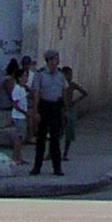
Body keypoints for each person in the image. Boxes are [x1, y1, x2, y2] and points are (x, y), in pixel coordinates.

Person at [32, 47, 68, 176]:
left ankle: (57, 168)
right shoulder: (40, 74)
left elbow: (64, 92)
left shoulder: (60, 75)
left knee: (55, 139)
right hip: (44, 106)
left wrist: (65, 109)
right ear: (49, 60)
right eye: (55, 59)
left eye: (57, 59)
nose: (57, 61)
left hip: (56, 107)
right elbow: (36, 93)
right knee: (41, 139)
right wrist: (36, 111)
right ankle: (37, 167)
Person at [60, 63, 90, 159]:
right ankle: (54, 152)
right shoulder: (61, 85)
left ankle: (65, 154)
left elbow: (84, 93)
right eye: (67, 75)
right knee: (58, 131)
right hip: (61, 108)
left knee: (69, 131)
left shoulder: (72, 85)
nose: (69, 77)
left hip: (68, 109)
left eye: (70, 75)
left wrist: (75, 101)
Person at [5, 60, 29, 165]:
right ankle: (15, 157)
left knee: (22, 137)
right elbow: (15, 104)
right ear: (19, 78)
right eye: (24, 76)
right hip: (18, 116)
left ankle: (19, 156)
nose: (26, 78)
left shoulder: (23, 89)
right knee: (19, 138)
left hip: (22, 116)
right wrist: (25, 112)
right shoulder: (17, 89)